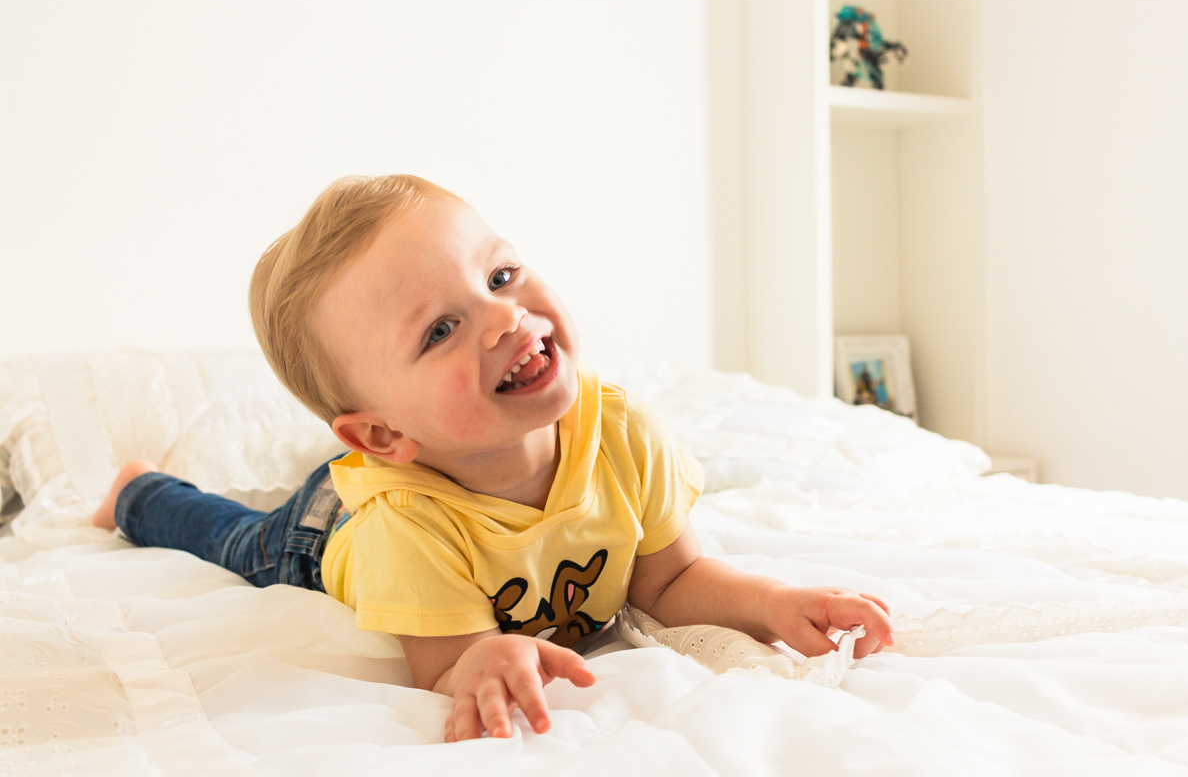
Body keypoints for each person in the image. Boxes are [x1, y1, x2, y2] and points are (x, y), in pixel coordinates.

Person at [92, 175, 894, 743]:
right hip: (326, 531)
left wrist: (775, 604)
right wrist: (480, 658)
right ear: (382, 437)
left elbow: (672, 580)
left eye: (501, 275)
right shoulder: (404, 530)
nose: (505, 317)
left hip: (414, 464)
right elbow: (443, 664)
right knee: (239, 539)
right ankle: (138, 491)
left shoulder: (622, 434)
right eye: (440, 330)